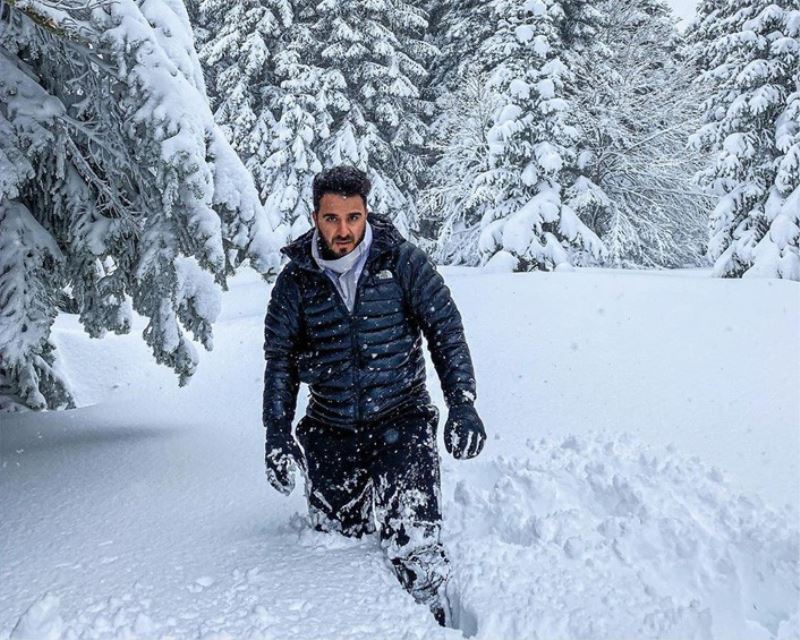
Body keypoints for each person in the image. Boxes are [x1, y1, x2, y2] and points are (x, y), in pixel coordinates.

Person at [262, 165, 486, 625]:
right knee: (336, 542)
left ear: (367, 213)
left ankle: (434, 621)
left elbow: (445, 330)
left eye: (353, 217)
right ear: (314, 216)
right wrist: (278, 434)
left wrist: (461, 402)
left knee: (415, 540)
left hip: (401, 419)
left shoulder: (402, 262)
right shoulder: (296, 281)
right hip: (330, 427)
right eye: (331, 219)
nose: (342, 231)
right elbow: (280, 358)